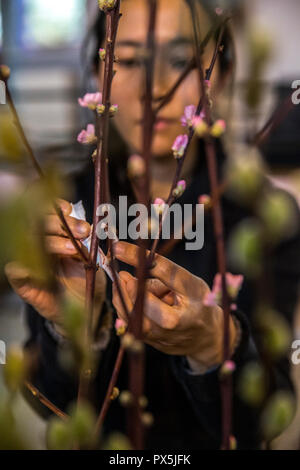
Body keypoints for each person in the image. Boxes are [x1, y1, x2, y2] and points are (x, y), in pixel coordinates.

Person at [5, 0, 300, 449]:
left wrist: (214, 341)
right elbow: (50, 403)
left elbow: (265, 415)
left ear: (220, 73)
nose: (154, 89)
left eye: (180, 61)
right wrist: (76, 329)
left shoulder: (264, 217)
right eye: (129, 61)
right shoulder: (65, 208)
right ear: (99, 74)